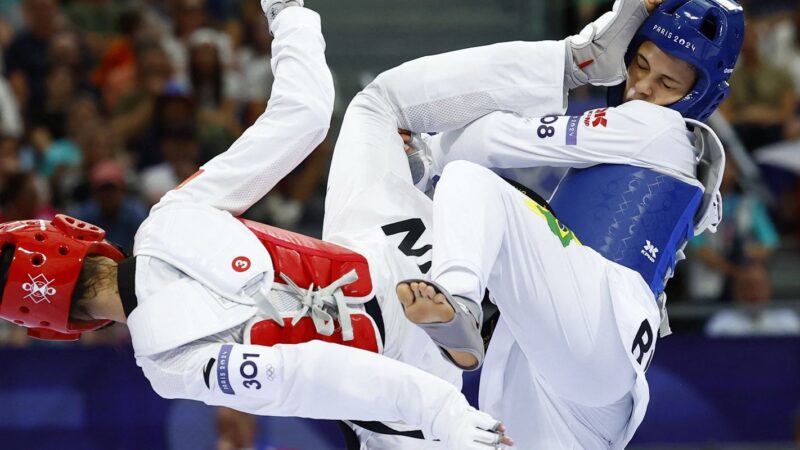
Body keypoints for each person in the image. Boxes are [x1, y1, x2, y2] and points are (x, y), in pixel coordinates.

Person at [0, 2, 509, 450]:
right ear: (78, 237)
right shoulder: (172, 216)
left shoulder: (166, 365)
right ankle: (561, 72)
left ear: (53, 326)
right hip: (408, 263)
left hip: (407, 393)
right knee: (380, 104)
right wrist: (286, 11)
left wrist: (443, 412)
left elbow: (307, 374)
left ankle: (437, 170)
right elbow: (305, 115)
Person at [359, 0, 741, 447]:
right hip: (588, 381)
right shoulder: (677, 157)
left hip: (599, 326)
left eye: (666, 82)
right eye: (639, 65)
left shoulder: (656, 128)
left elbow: (482, 145)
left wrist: (426, 149)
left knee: (470, 181)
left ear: (698, 94)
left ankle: (460, 300)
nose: (641, 88)